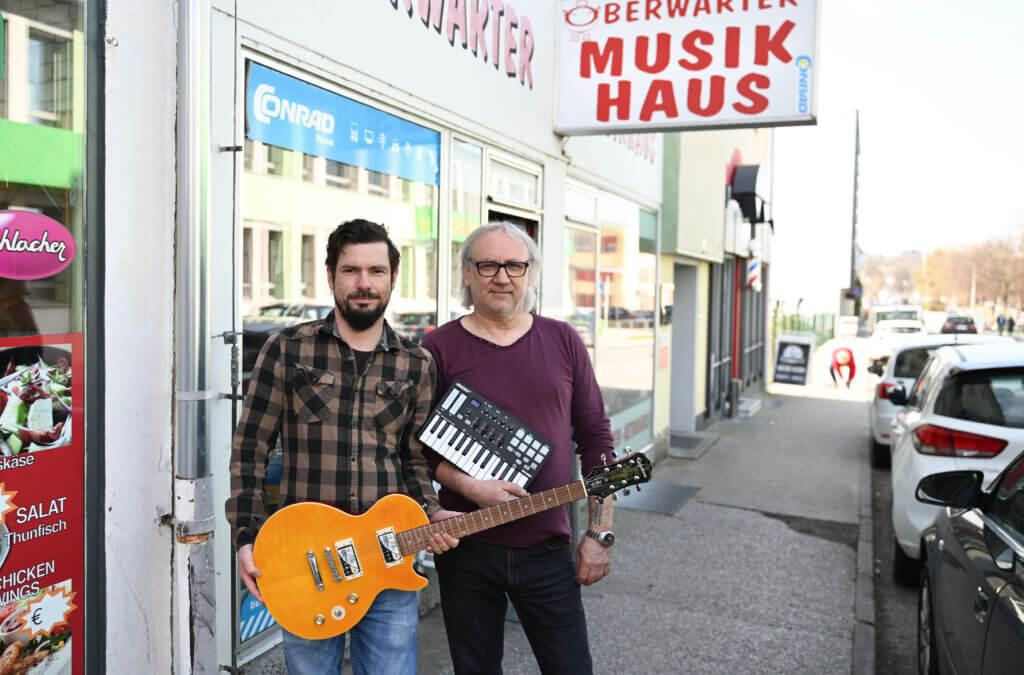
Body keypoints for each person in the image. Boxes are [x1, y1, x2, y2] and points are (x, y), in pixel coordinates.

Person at [225, 219, 458, 675]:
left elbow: (414, 458)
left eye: (377, 270)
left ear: (394, 278)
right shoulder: (288, 349)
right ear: (330, 275)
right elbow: (250, 447)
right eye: (351, 270)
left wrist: (429, 511)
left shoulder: (417, 363)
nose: (364, 283)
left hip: (390, 558)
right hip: (308, 561)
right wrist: (245, 537)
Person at [421, 222, 615, 674]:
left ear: (530, 274)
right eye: (487, 265)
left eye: (514, 265)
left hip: (547, 545)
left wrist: (599, 534)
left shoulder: (563, 340)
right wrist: (470, 486)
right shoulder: (437, 348)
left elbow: (596, 439)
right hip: (466, 545)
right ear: (467, 274)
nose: (501, 276)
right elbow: (419, 447)